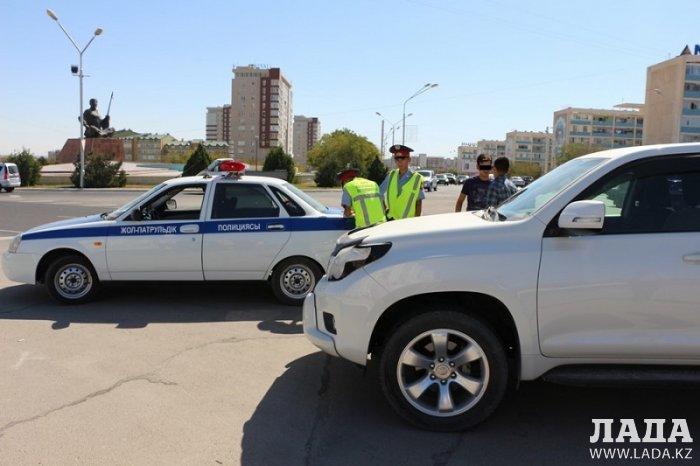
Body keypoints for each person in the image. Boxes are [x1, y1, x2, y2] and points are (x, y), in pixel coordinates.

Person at [380, 145, 424, 220]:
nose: (399, 162)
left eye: (402, 158)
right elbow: (379, 194)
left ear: (409, 159)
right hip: (391, 220)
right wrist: (385, 210)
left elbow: (418, 202)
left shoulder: (417, 178)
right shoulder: (391, 175)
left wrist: (416, 221)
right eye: (397, 159)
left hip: (407, 222)